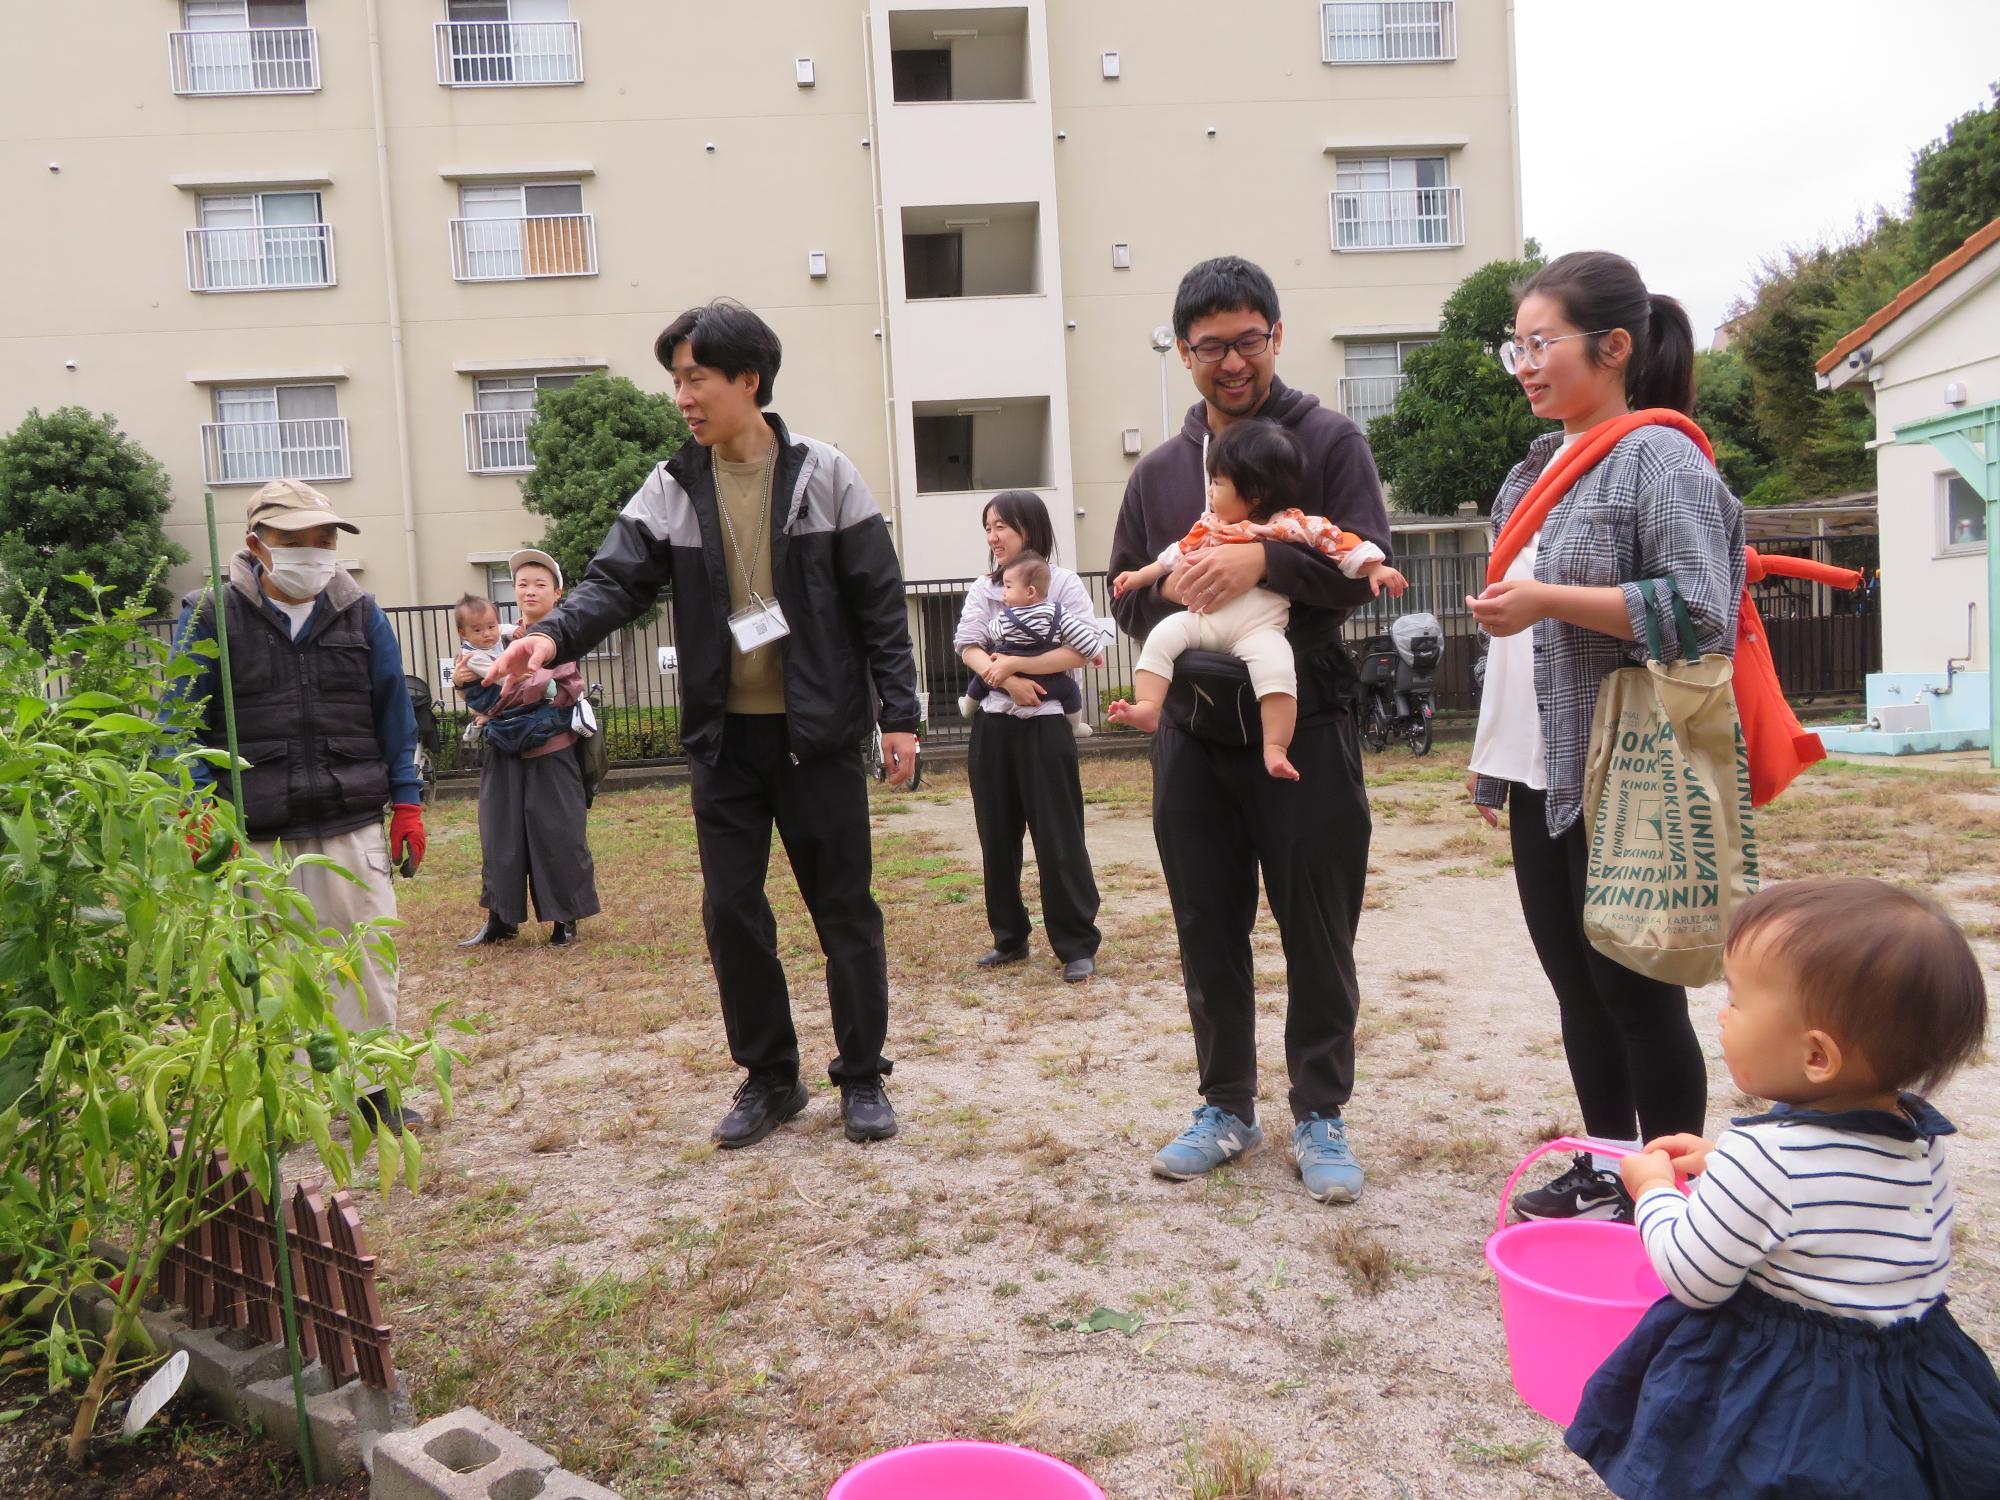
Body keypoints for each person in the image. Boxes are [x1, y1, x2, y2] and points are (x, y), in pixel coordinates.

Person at [485, 299, 921, 1147]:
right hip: (725, 742)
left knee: (843, 909)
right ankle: (770, 1078)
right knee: (731, 909)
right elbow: (613, 581)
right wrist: (546, 635)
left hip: (817, 736)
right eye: (676, 380)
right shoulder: (672, 486)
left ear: (747, 380)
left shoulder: (827, 475)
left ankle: (863, 1078)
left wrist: (898, 714)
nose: (683, 396)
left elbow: (879, 604)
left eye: (697, 378)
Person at [1464, 251, 1745, 1223]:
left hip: (1623, 772)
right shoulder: (1530, 471)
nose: (1525, 364)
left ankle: (1670, 1189)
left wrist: (1549, 598)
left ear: (1612, 347)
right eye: (1518, 347)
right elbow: (1515, 636)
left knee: (1635, 994)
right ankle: (1606, 1166)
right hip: (1536, 773)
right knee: (1575, 992)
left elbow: (1700, 611)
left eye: (1542, 343)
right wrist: (1488, 762)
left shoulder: (1657, 458)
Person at [1565, 878, 2000, 1498]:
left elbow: (1693, 1275)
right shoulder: (1918, 1137)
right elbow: (1834, 1210)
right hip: (1906, 1379)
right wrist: (1721, 1164)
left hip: (1790, 1395)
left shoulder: (1763, 1157)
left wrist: (1653, 1189)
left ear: (1817, 1056)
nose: (1723, 1013)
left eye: (1739, 1000)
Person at [1107, 255, 1389, 1204]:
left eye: (1249, 340)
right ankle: (1225, 1104)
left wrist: (1261, 560)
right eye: (1211, 346)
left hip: (1303, 722)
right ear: (1184, 352)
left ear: (1277, 333)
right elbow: (1125, 592)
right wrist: (1186, 632)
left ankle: (1321, 1113)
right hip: (1191, 733)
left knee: (1318, 924)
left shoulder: (1330, 442)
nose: (1233, 362)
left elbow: (1355, 565)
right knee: (1207, 924)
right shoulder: (1156, 471)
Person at [172, 479, 426, 1133]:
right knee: (273, 973)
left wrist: (407, 804)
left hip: (349, 820)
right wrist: (199, 808)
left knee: (366, 962)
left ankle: (373, 1095)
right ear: (257, 546)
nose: (314, 552)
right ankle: (287, 1103)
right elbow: (177, 724)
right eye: (295, 541)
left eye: (324, 539)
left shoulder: (359, 611)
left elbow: (393, 715)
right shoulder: (211, 615)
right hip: (254, 832)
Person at [1108, 419, 1405, 780]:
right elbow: (1170, 557)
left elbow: (1338, 542)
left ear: (1255, 494)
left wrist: (1374, 567)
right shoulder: (1207, 525)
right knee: (1160, 639)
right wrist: (1139, 577)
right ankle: (1149, 706)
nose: (1210, 492)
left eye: (1218, 483)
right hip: (1201, 621)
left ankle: (1275, 747)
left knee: (1278, 673)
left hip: (1261, 630)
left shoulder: (1289, 524)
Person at [952, 491, 1103, 983]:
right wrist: (1006, 678)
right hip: (993, 727)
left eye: (1002, 527)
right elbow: (968, 644)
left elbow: (1080, 650)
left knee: (1059, 835)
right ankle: (1009, 937)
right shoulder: (984, 587)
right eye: (988, 528)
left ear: (1030, 529)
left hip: (1046, 726)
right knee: (996, 836)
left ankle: (1076, 943)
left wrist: (1019, 664)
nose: (993, 537)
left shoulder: (1063, 584)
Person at [457, 550, 599, 949]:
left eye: (540, 584)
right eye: (522, 584)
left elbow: (549, 690)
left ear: (558, 593)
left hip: (550, 751)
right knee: (499, 835)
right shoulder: (499, 637)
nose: (530, 591)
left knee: (557, 833)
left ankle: (564, 918)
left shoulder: (566, 634)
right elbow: (484, 694)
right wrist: (464, 682)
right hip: (503, 751)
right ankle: (500, 918)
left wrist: (500, 689)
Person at [959, 550, 1099, 719]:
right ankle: (1075, 725)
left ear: (1030, 591)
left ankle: (968, 706)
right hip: (1046, 680)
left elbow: (994, 634)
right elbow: (1080, 635)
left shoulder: (1006, 615)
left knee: (981, 680)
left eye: (1008, 587)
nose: (1004, 591)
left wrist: (1010, 664)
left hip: (1005, 680)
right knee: (1071, 690)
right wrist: (1095, 653)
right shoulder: (1057, 613)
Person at [453, 593, 512, 746]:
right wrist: (521, 677)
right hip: (484, 697)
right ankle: (490, 717)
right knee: (513, 697)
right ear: (463, 633)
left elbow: (503, 629)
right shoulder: (471, 655)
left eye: (491, 627)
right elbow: (499, 677)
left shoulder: (497, 638)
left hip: (491, 691)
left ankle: (487, 719)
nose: (487, 634)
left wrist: (514, 630)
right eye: (477, 630)